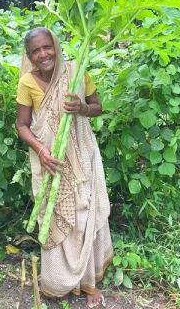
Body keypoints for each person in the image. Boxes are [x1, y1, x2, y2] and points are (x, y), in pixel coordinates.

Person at [16, 27, 113, 308]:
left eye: (48, 47)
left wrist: (82, 108)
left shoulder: (76, 71)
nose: (43, 54)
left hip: (81, 156)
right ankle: (60, 282)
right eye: (36, 51)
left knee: (85, 212)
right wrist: (42, 151)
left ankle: (88, 282)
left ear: (56, 47)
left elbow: (98, 107)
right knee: (55, 215)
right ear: (30, 56)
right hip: (51, 163)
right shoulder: (27, 82)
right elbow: (22, 125)